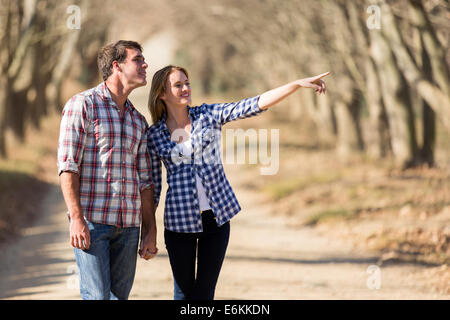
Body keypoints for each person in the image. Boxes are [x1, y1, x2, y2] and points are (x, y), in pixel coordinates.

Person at [146, 65, 330, 300]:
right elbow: (152, 188)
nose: (186, 88)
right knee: (183, 295)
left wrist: (295, 84)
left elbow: (253, 104)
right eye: (178, 85)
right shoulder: (153, 136)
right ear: (162, 93)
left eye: (187, 83)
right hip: (179, 224)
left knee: (203, 295)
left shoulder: (208, 115)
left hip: (216, 220)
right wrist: (149, 232)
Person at [57, 40, 158, 300]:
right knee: (97, 297)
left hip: (129, 228)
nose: (145, 64)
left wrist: (149, 230)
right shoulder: (83, 105)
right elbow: (68, 167)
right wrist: (76, 218)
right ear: (117, 66)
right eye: (137, 59)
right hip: (93, 224)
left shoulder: (138, 119)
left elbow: (145, 181)